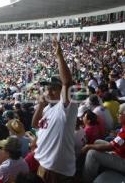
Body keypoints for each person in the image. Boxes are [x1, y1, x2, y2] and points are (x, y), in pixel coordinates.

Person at [32, 40, 78, 183]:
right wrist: (40, 105)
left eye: (53, 88)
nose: (49, 92)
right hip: (43, 164)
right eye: (47, 88)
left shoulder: (66, 108)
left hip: (55, 170)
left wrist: (59, 56)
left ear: (62, 91)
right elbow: (34, 125)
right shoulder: (47, 108)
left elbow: (68, 82)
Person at [81, 103, 125, 183]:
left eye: (119, 113)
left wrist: (88, 146)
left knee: (92, 153)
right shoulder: (123, 127)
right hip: (119, 152)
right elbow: (119, 142)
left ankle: (87, 180)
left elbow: (110, 147)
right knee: (97, 142)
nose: (117, 115)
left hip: (122, 161)